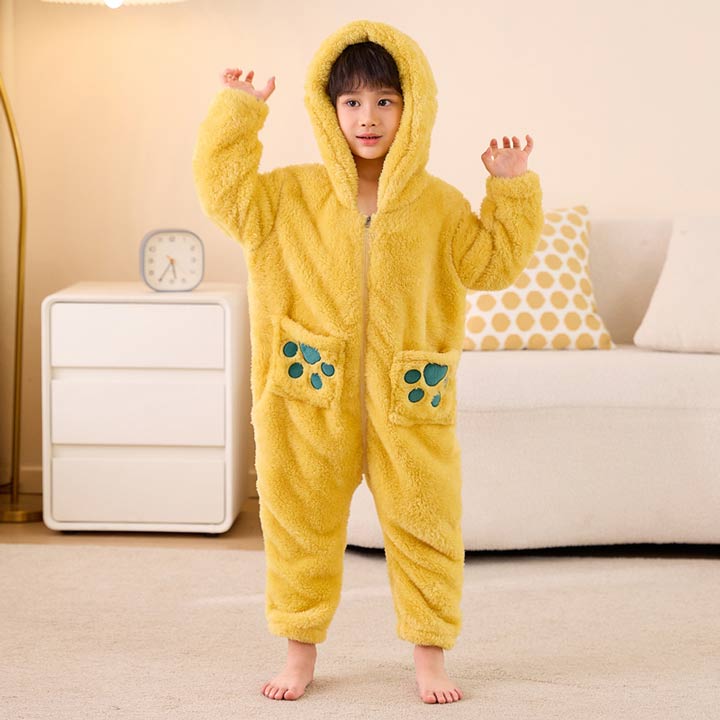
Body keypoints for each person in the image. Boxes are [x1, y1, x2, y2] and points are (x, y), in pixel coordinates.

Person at [193, 19, 543, 705]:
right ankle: (298, 653)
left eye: (385, 100)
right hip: (305, 391)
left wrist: (511, 190)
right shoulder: (287, 196)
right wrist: (238, 114)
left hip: (409, 396)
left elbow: (494, 264)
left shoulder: (438, 205)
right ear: (327, 110)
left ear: (414, 107)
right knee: (299, 523)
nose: (368, 118)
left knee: (426, 523)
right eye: (351, 102)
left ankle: (430, 658)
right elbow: (223, 192)